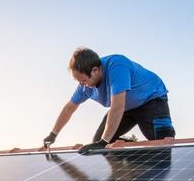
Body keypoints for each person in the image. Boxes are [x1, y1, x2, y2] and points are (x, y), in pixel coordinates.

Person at [43, 48, 175, 154]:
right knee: (98, 143)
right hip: (127, 108)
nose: (82, 85)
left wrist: (103, 142)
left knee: (162, 144)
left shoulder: (117, 66)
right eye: (78, 82)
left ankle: (156, 154)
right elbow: (69, 108)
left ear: (95, 70)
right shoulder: (84, 86)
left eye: (83, 80)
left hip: (150, 99)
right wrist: (53, 134)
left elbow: (117, 106)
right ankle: (135, 168)